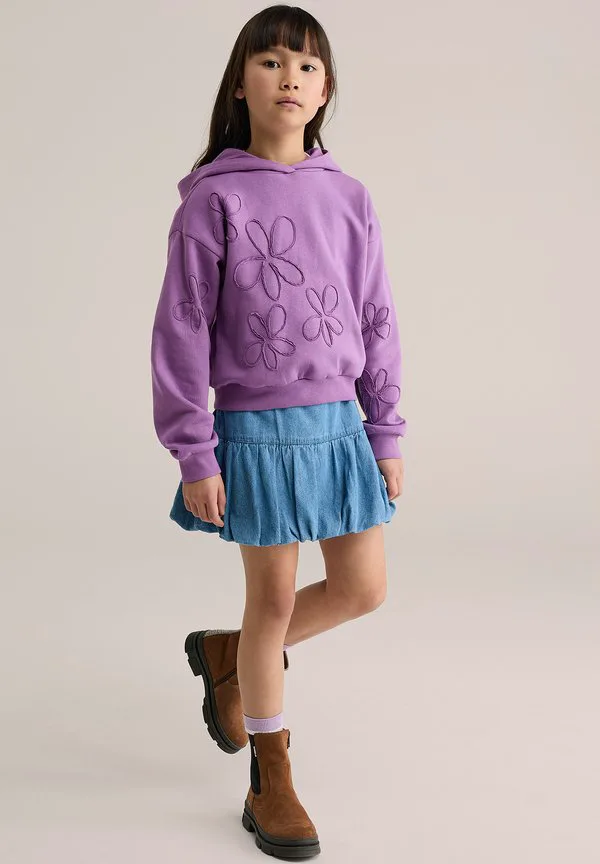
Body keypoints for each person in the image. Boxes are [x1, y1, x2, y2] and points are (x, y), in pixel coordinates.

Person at [150, 4, 407, 858]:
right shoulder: (213, 200)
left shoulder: (349, 197)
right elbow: (181, 329)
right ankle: (272, 772)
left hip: (338, 424)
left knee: (363, 588)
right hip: (255, 429)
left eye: (305, 65)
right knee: (271, 600)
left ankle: (229, 656)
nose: (288, 77)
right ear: (239, 84)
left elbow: (376, 316)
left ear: (325, 90)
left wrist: (385, 431)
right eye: (269, 62)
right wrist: (193, 450)